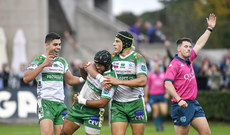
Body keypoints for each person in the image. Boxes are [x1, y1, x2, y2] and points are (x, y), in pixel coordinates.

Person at [87, 31, 148, 135]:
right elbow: (89, 66)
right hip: (117, 105)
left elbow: (142, 81)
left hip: (136, 104)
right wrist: (99, 77)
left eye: (117, 41)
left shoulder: (138, 58)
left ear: (125, 43)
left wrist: (119, 81)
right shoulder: (111, 57)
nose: (113, 44)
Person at [164, 13, 216, 135]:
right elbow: (167, 84)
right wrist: (179, 99)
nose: (189, 49)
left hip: (193, 103)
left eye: (189, 46)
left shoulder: (189, 59)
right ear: (178, 49)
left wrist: (209, 28)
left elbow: (199, 44)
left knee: (206, 133)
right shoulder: (174, 64)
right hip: (181, 105)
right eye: (185, 46)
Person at [23, 32, 84, 135]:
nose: (58, 47)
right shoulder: (38, 60)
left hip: (60, 104)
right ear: (47, 45)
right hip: (45, 103)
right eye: (55, 44)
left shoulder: (62, 61)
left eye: (59, 44)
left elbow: (70, 80)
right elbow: (26, 78)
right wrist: (43, 65)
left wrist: (85, 79)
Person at [61, 50, 117, 135]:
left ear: (107, 65)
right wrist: (81, 69)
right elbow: (87, 73)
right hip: (78, 107)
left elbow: (102, 103)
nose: (97, 67)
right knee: (64, 133)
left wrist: (81, 101)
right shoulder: (96, 67)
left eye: (100, 65)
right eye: (96, 64)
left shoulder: (110, 79)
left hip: (93, 111)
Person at [144, 63, 169, 132]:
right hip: (153, 95)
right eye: (154, 66)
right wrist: (146, 96)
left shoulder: (163, 75)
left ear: (159, 67)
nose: (155, 67)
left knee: (164, 112)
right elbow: (147, 86)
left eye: (156, 66)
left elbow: (167, 84)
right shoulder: (150, 75)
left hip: (162, 95)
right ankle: (157, 127)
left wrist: (167, 93)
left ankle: (161, 123)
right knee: (156, 111)